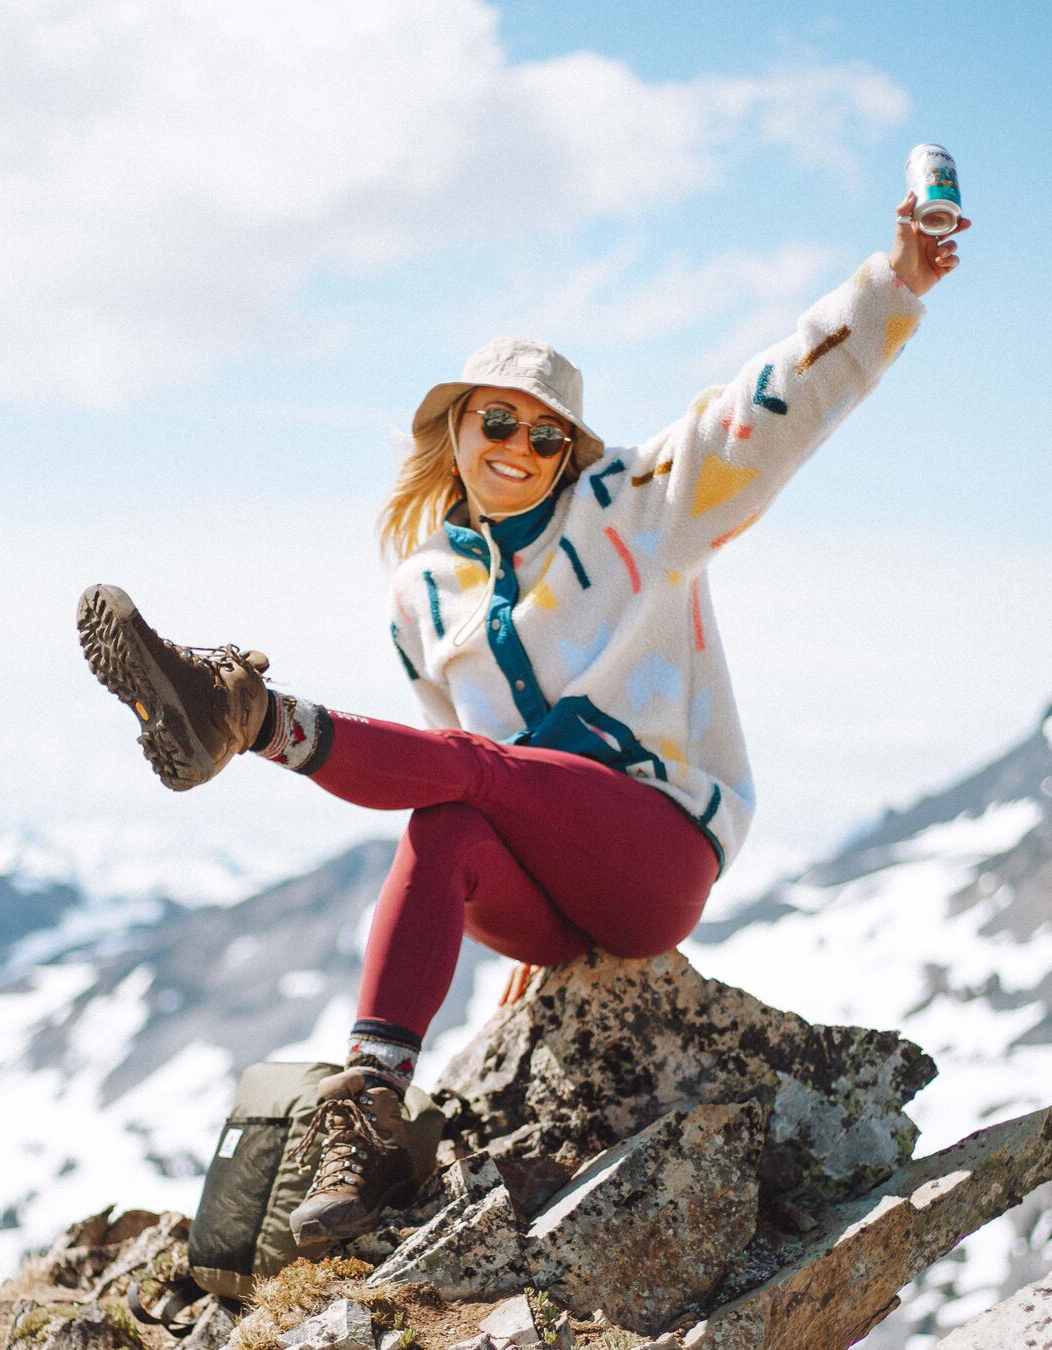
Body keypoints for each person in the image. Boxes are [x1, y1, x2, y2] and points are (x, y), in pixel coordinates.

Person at [77, 191, 968, 1247]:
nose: (520, 446)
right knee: (445, 818)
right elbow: (441, 767)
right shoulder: (420, 593)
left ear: (567, 450)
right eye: (498, 422)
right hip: (541, 895)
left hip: (656, 857)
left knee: (470, 773)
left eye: (547, 435)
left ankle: (246, 714)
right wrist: (515, 936)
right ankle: (369, 1111)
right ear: (455, 431)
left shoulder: (640, 507)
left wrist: (894, 284)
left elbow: (772, 405)